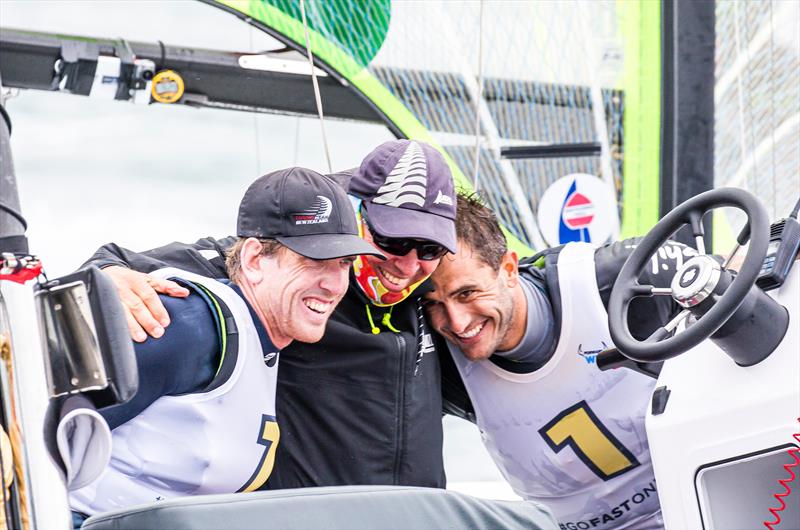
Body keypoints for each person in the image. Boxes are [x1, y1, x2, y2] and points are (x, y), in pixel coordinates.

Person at [82, 140, 458, 489]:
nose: (408, 265)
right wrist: (108, 273)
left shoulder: (443, 299)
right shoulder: (284, 265)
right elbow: (119, 264)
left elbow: (500, 285)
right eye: (393, 241)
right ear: (358, 215)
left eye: (428, 248)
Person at [70, 167, 383, 517]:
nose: (334, 283)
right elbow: (36, 437)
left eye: (344, 263)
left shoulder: (270, 335)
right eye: (314, 260)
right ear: (253, 260)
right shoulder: (187, 326)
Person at [424, 194, 690, 530]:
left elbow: (746, 286)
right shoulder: (438, 359)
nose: (457, 323)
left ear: (508, 269)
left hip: (702, 503)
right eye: (433, 303)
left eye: (467, 293)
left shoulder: (621, 279)